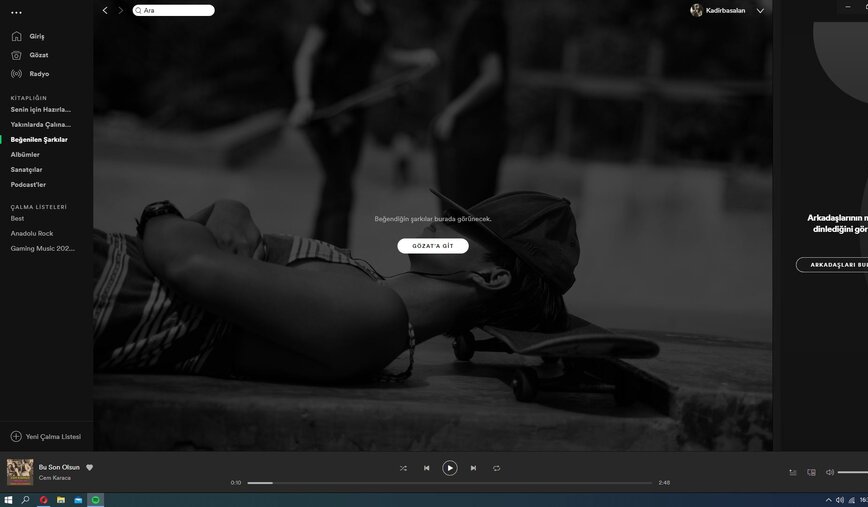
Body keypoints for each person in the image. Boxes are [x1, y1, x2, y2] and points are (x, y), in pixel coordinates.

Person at [93, 190, 579, 384]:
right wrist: (229, 211)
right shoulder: (366, 292)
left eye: (462, 226)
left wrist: (161, 214)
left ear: (492, 276)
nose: (439, 222)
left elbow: (188, 263)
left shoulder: (376, 317)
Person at [289, 0, 437, 248]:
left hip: (356, 109)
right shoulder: (335, 10)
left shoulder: (379, 17)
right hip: (326, 109)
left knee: (337, 182)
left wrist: (417, 57)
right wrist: (303, 98)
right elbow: (306, 55)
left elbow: (385, 55)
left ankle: (315, 247)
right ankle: (336, 255)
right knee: (341, 187)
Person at [433, 0, 508, 208]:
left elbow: (492, 76)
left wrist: (451, 111)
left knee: (461, 217)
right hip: (478, 134)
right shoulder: (482, 15)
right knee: (468, 217)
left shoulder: (485, 17)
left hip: (474, 136)